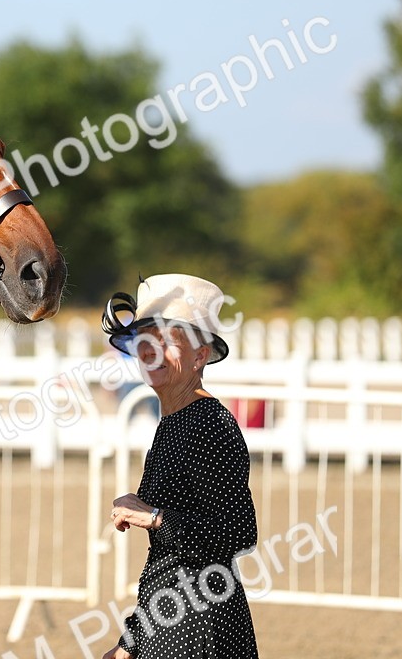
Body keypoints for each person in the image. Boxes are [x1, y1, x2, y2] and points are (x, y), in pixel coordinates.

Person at [100, 274, 259, 658]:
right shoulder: (175, 420)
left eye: (167, 342)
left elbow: (239, 533)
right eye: (144, 342)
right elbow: (166, 559)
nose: (151, 352)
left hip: (201, 630)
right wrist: (130, 642)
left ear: (200, 356)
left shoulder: (208, 422)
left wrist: (154, 516)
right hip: (172, 622)